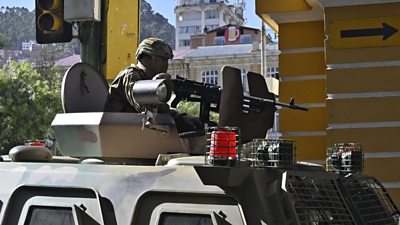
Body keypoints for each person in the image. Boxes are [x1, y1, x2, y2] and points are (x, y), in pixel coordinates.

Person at [104, 38, 203, 134]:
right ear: (147, 58)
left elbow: (161, 110)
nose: (166, 64)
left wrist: (182, 118)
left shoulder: (148, 78)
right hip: (119, 134)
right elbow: (145, 108)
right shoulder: (130, 75)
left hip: (136, 133)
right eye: (163, 59)